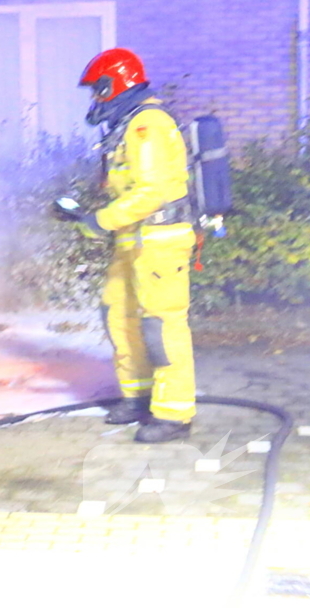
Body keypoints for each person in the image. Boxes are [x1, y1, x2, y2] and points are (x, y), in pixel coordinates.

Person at [57, 47, 196, 443]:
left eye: (97, 90)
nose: (94, 100)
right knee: (118, 314)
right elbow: (127, 188)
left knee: (160, 325)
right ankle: (138, 395)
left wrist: (98, 222)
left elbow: (151, 191)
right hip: (132, 239)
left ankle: (174, 414)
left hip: (160, 240)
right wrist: (91, 217)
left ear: (114, 83)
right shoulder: (129, 124)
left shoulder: (147, 124)